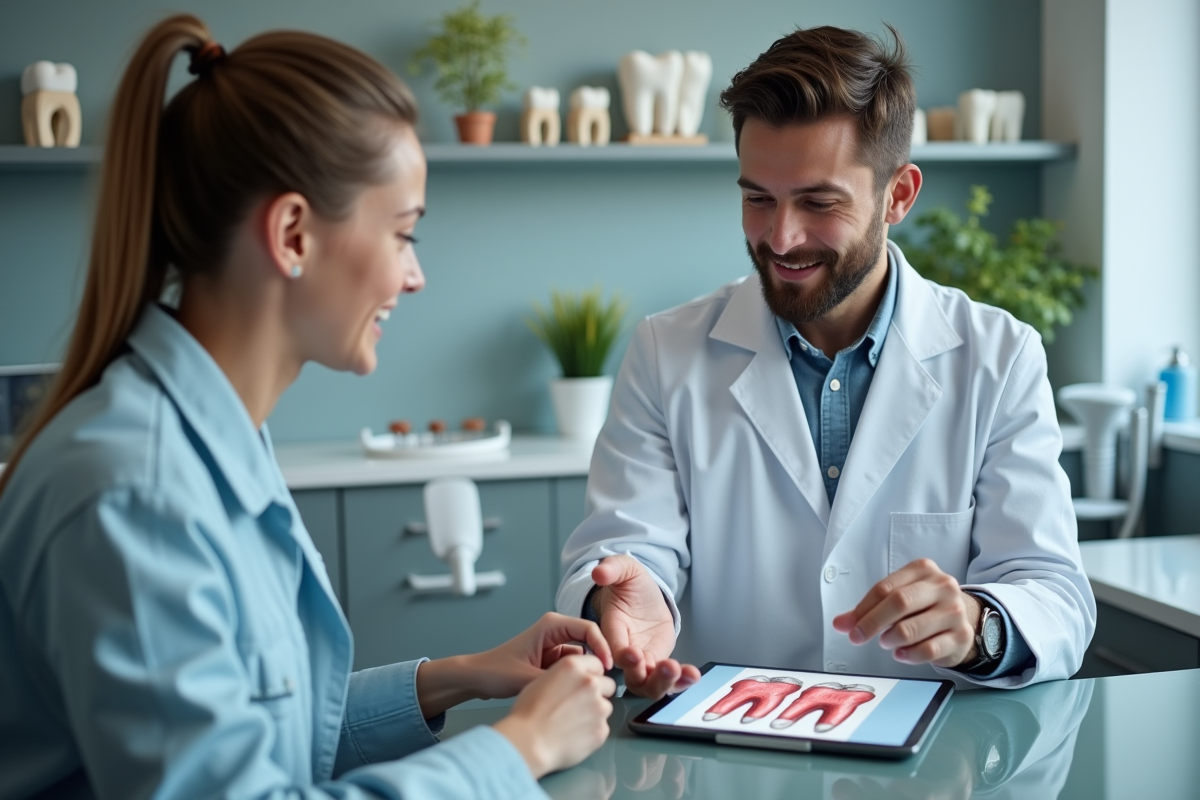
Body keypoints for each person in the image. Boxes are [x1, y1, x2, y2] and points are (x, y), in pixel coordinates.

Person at [0, 15, 615, 800]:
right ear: (293, 234)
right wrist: (519, 747)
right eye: (403, 234)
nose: (414, 276)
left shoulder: (218, 440)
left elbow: (267, 738)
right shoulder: (134, 492)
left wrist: (462, 675)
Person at [557, 25, 1095, 698]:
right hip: (728, 747)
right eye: (758, 198)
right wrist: (621, 599)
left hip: (937, 752)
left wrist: (977, 625)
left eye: (818, 202)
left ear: (899, 195)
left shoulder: (999, 357)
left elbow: (1052, 591)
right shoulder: (666, 353)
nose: (781, 238)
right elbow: (628, 547)